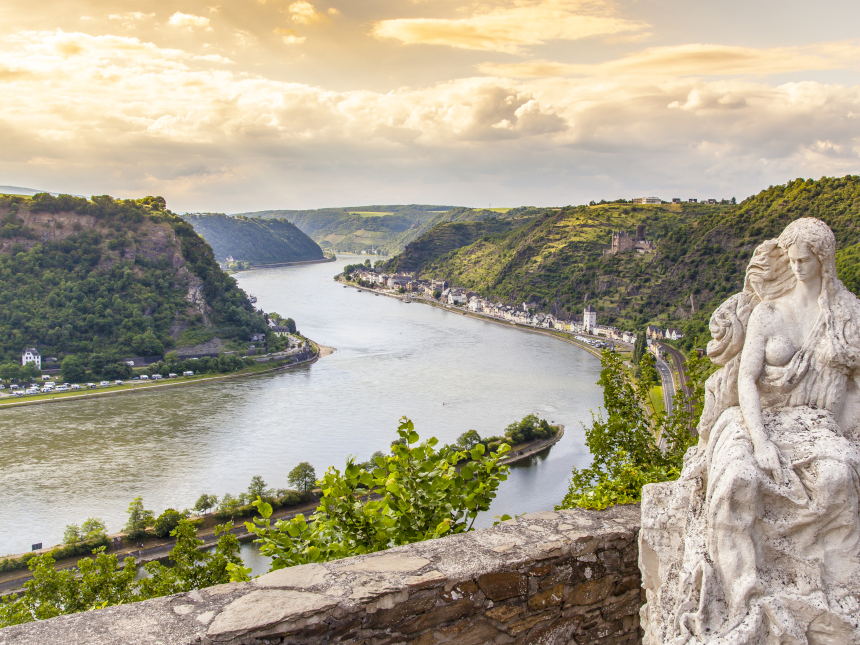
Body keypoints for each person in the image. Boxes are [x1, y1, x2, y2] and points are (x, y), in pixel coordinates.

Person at [640, 218, 860, 644]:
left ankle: (824, 590)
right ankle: (743, 599)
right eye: (790, 260)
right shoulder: (769, 313)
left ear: (823, 260)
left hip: (816, 425)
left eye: (804, 260)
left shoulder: (846, 316)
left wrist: (847, 435)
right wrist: (761, 442)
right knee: (737, 480)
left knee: (836, 477)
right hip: (755, 418)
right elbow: (745, 379)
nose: (796, 267)